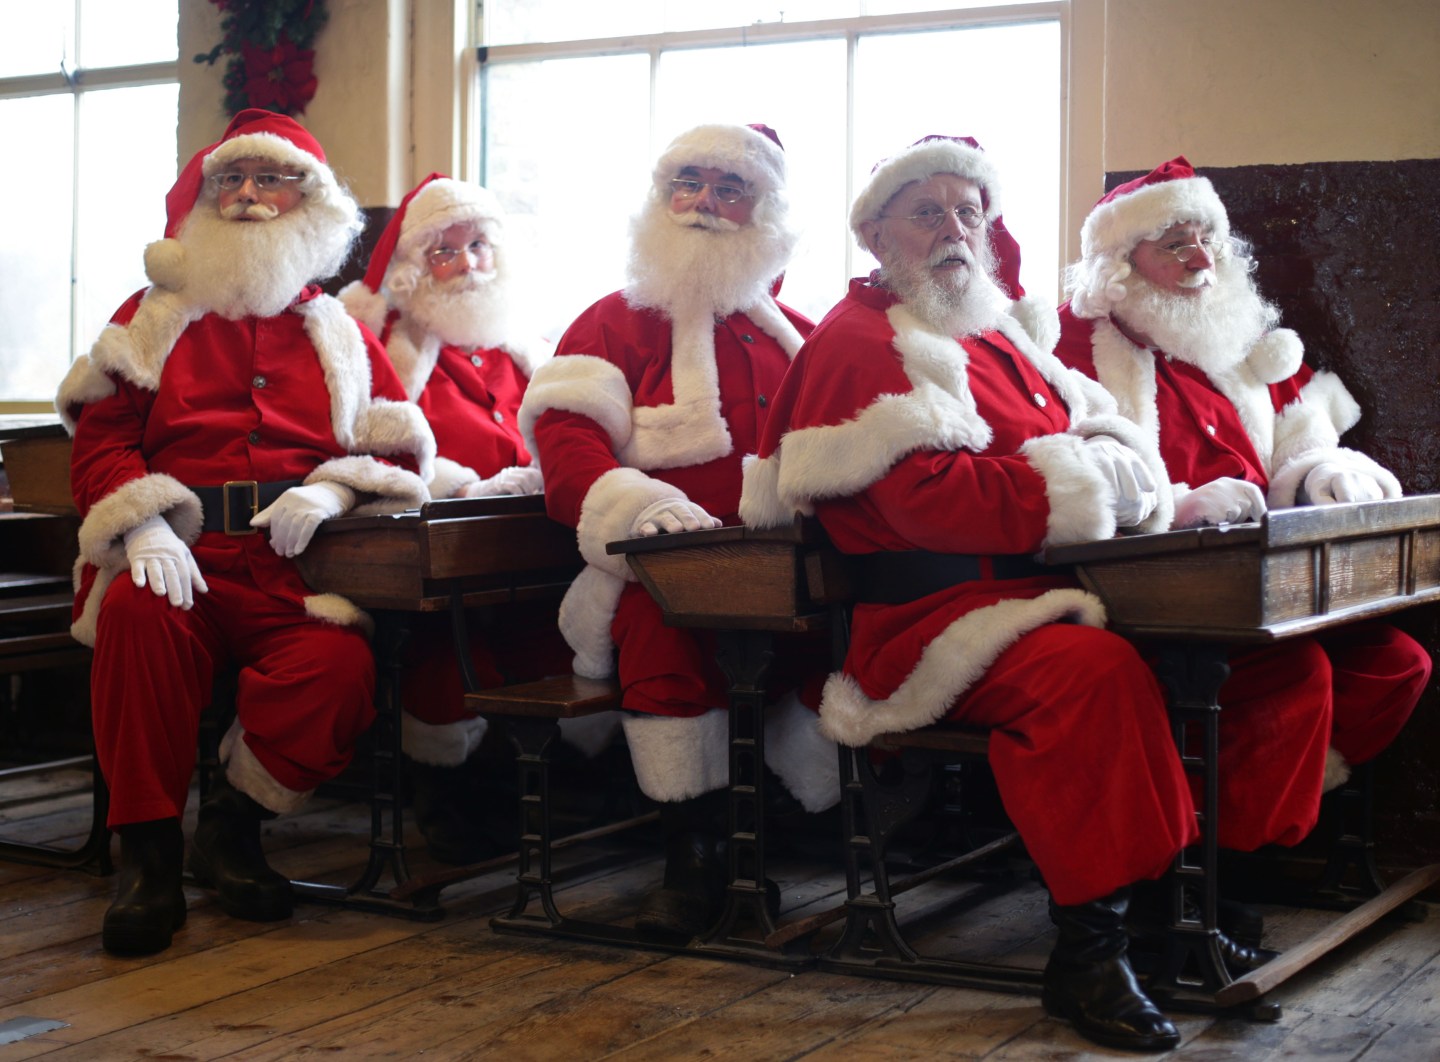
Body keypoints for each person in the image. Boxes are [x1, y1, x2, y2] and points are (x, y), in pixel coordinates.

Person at [740, 135, 1255, 1052]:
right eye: (927, 211)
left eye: (970, 211)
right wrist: (1088, 489)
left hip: (1026, 595)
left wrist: (1133, 483)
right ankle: (1088, 960)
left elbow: (1089, 428)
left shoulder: (988, 327)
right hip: (923, 622)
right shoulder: (861, 342)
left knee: (1183, 656)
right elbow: (929, 500)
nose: (955, 230)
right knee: (1092, 675)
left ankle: (1157, 922)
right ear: (875, 233)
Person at [57, 110, 435, 956]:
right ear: (202, 197)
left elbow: (401, 442)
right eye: (229, 180)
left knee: (339, 670)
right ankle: (147, 857)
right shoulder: (151, 315)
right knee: (136, 626)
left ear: (311, 201)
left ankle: (234, 829)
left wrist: (337, 491)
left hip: (291, 570)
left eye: (272, 180)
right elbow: (103, 439)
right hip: (175, 556)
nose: (248, 197)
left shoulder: (339, 329)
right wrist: (144, 526)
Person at [519, 123, 838, 938]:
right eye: (686, 183)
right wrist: (636, 505)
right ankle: (693, 854)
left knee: (849, 636)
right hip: (660, 574)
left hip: (790, 573)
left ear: (765, 213)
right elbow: (564, 444)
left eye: (730, 189)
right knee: (666, 640)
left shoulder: (799, 334)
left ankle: (788, 825)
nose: (703, 204)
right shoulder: (608, 323)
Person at [1055, 157, 1429, 800]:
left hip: (1266, 580)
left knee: (1398, 663)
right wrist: (1179, 507)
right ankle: (1228, 854)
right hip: (1151, 589)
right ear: (1119, 263)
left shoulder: (1235, 333)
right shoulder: (1071, 350)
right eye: (1175, 244)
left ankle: (1258, 806)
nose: (1201, 259)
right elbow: (1081, 472)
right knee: (1295, 673)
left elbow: (1301, 429)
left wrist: (1321, 473)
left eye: (1209, 240)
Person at [341, 174, 571, 864]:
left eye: (479, 246)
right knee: (445, 649)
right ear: (413, 268)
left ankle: (528, 793)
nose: (469, 264)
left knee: (554, 642)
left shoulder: (523, 348)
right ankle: (448, 798)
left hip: (533, 545)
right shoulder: (382, 346)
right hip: (429, 552)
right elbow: (370, 445)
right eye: (446, 252)